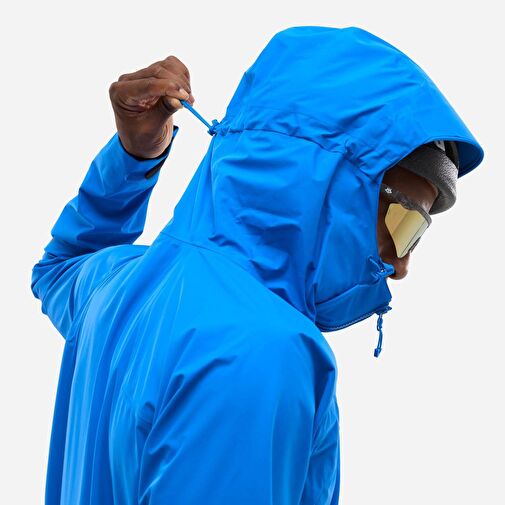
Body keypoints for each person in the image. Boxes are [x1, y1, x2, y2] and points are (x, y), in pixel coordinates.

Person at [30, 26, 484, 504]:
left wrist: (133, 156)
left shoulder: (116, 285)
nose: (402, 264)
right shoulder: (263, 350)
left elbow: (59, 266)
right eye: (404, 222)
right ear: (332, 184)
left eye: (417, 235)